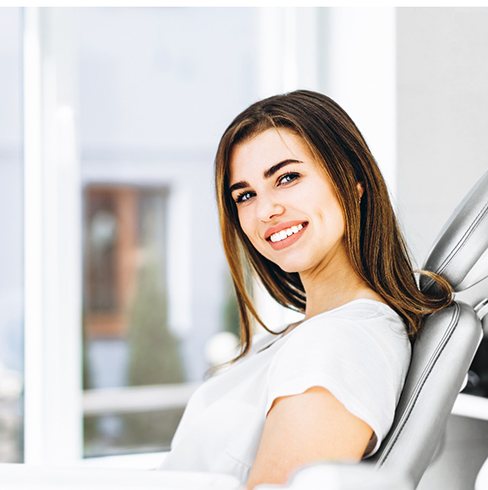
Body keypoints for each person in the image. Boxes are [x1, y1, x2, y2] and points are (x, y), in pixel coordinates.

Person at [159, 90, 452, 488]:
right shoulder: (310, 335)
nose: (265, 211)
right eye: (245, 195)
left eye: (287, 178)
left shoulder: (341, 342)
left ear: (352, 179)